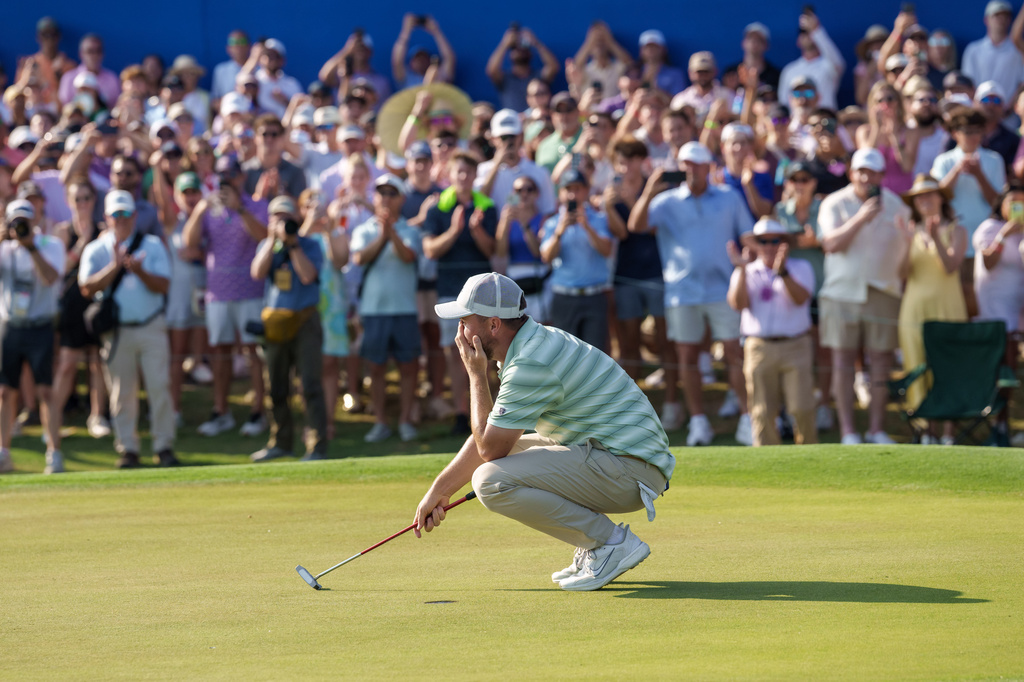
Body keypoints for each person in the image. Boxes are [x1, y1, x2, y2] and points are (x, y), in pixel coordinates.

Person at [413, 272, 674, 591]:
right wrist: (440, 490)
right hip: (616, 457)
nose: (460, 332)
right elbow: (493, 437)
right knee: (494, 464)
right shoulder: (533, 343)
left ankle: (610, 543)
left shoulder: (530, 362)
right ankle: (598, 545)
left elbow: (489, 449)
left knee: (490, 479)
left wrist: (476, 375)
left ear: (493, 325)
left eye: (466, 321)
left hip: (631, 470)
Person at [629, 142, 755, 447]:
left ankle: (747, 417)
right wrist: (649, 191)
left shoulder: (728, 197)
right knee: (686, 356)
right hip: (682, 291)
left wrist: (748, 260)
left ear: (708, 167)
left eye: (697, 164)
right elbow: (636, 225)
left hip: (723, 290)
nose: (691, 170)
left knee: (733, 353)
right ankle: (698, 421)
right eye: (686, 164)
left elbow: (748, 235)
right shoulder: (666, 200)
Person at [817, 148, 911, 446]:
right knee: (843, 361)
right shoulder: (834, 203)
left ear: (883, 175)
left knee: (881, 361)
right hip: (841, 293)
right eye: (861, 171)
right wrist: (860, 218)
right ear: (851, 173)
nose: (866, 177)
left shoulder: (897, 206)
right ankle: (848, 432)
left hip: (883, 291)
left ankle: (876, 429)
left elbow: (905, 256)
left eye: (872, 172)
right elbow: (830, 244)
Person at [79, 190, 176, 468]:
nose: (121, 219)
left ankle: (164, 446)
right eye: (116, 215)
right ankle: (128, 449)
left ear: (135, 216)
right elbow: (86, 288)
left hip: (150, 324)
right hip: (117, 331)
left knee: (159, 386)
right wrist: (115, 266)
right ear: (107, 217)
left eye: (126, 214)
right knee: (121, 392)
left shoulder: (153, 244)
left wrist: (140, 271)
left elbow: (164, 285)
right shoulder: (96, 250)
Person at [183, 156, 269, 437]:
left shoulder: (256, 205)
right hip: (217, 292)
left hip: (249, 290)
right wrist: (199, 210)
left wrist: (241, 209)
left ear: (241, 178)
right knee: (219, 352)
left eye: (230, 178)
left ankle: (258, 411)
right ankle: (221, 411)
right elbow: (189, 243)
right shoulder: (209, 208)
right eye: (221, 179)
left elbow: (265, 238)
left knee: (252, 350)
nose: (225, 184)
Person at [422, 150, 498, 434]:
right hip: (449, 293)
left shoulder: (487, 207)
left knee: (486, 351)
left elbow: (492, 250)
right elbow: (430, 250)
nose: (464, 177)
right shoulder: (438, 208)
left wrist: (477, 231)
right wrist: (454, 231)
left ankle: (488, 415)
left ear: (475, 175)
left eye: (469, 172)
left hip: (482, 295)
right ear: (450, 175)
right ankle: (460, 413)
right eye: (459, 172)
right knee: (455, 353)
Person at [249, 196, 327, 462]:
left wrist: (293, 245)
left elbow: (307, 275)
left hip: (305, 320)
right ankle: (280, 441)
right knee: (277, 386)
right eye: (276, 217)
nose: (282, 222)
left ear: (296, 219)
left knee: (310, 385)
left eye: (287, 218)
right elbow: (257, 273)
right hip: (275, 323)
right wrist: (272, 241)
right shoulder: (266, 245)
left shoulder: (310, 245)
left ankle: (316, 445)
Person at [727, 218, 817, 446]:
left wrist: (783, 272)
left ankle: (810, 460)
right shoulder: (745, 270)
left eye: (774, 240)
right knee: (761, 411)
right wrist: (742, 270)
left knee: (802, 408)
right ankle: (767, 465)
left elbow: (801, 299)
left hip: (796, 345)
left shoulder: (801, 267)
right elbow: (738, 304)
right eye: (762, 241)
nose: (768, 246)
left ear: (784, 243)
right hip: (759, 346)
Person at [350, 175, 423, 442]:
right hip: (373, 311)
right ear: (374, 197)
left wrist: (391, 232)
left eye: (393, 193)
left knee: (408, 368)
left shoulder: (411, 230)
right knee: (376, 368)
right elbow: (359, 258)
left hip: (404, 309)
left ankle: (405, 420)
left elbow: (408, 256)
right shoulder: (363, 230)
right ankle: (380, 421)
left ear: (401, 199)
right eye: (382, 193)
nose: (387, 199)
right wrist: (383, 234)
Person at [896, 174, 968, 444]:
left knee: (948, 368)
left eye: (930, 194)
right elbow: (902, 273)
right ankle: (927, 431)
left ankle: (948, 433)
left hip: (948, 308)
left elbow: (950, 267)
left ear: (941, 198)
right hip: (914, 311)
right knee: (917, 366)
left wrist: (936, 238)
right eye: (919, 196)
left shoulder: (958, 230)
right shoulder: (910, 232)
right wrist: (905, 243)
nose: (925, 200)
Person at [0, 200, 66, 475]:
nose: (21, 227)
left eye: (24, 221)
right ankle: (3, 453)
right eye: (16, 221)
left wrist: (31, 247)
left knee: (46, 391)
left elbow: (51, 278)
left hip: (39, 326)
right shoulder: (4, 249)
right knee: (5, 392)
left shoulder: (50, 245)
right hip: (11, 326)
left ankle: (54, 452)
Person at [932, 107, 1007, 318]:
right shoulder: (943, 161)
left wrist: (979, 174)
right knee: (955, 300)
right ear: (955, 133)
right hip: (953, 244)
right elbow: (936, 199)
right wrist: (956, 171)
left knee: (982, 301)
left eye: (977, 130)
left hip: (984, 244)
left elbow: (999, 204)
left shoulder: (994, 160)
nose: (973, 136)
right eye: (967, 131)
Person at [51, 177, 110, 440]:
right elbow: (60, 268)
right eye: (78, 199)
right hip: (71, 306)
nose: (83, 204)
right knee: (66, 365)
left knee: (97, 362)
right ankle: (52, 418)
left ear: (93, 201)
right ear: (69, 202)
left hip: (95, 305)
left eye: (87, 198)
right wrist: (82, 242)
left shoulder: (103, 231)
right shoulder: (62, 231)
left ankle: (97, 416)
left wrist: (91, 237)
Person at [540, 169, 613, 352]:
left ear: (586, 191)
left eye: (578, 189)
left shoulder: (597, 219)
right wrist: (559, 232)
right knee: (565, 357)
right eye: (568, 189)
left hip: (594, 296)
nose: (573, 194)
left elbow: (607, 250)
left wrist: (587, 226)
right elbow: (547, 257)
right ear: (561, 192)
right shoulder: (552, 223)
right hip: (564, 297)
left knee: (595, 356)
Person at [973, 184, 1024, 445]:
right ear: (1001, 205)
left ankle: (1005, 426)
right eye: (1013, 203)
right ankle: (998, 427)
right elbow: (988, 261)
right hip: (993, 318)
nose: (1018, 208)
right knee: (1000, 374)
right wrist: (1005, 235)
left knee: (1011, 375)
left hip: (1017, 318)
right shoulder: (989, 228)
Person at [475, 108, 556, 215]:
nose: (509, 142)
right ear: (493, 139)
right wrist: (497, 165)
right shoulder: (483, 170)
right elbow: (479, 202)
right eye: (504, 137)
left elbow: (548, 211)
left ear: (521, 136)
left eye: (512, 136)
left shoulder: (540, 172)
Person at [778, 9, 846, 110]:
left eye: (810, 33)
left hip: (825, 123)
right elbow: (783, 104)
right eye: (804, 32)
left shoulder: (828, 65)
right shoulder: (789, 70)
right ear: (798, 41)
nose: (808, 35)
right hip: (798, 124)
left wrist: (816, 30)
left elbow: (838, 63)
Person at [485, 25, 560, 112]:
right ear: (510, 54)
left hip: (537, 122)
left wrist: (536, 43)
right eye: (515, 49)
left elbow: (553, 67)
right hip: (512, 123)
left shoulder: (538, 77)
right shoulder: (505, 79)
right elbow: (491, 70)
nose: (519, 51)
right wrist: (505, 44)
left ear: (530, 54)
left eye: (523, 49)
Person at [963, 1, 1024, 105]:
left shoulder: (1018, 51)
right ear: (986, 20)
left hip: (1010, 119)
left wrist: (1008, 109)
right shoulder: (973, 50)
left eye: (1005, 16)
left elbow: (1021, 83)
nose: (1001, 20)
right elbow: (968, 84)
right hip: (981, 116)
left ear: (1010, 20)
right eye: (996, 15)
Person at [392, 14, 456, 88]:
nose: (421, 61)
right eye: (417, 59)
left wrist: (436, 32)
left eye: (424, 58)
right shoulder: (405, 79)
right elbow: (397, 61)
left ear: (429, 60)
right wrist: (406, 30)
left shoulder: (439, 76)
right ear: (411, 63)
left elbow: (449, 58)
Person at [58, 34, 120, 107]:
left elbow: (114, 109)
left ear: (103, 54)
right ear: (81, 54)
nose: (94, 55)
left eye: (98, 51)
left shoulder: (112, 79)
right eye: (90, 51)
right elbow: (65, 108)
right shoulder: (68, 79)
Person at [211, 31, 250, 114]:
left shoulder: (259, 69)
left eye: (242, 41)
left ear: (249, 46)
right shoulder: (220, 70)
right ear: (228, 48)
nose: (238, 46)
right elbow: (214, 101)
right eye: (234, 42)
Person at [637, 30, 686, 96]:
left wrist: (655, 91)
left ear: (664, 50)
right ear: (641, 51)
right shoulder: (633, 73)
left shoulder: (675, 74)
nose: (650, 50)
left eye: (655, 47)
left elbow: (678, 101)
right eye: (647, 47)